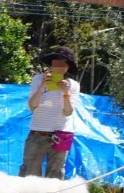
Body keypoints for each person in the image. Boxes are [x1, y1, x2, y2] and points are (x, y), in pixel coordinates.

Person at [19, 46, 80, 179]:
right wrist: (42, 87)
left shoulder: (73, 85)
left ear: (68, 67)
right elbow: (32, 107)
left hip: (61, 135)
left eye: (64, 64)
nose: (60, 67)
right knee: (29, 174)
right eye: (57, 62)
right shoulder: (38, 79)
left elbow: (68, 112)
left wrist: (66, 93)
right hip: (37, 134)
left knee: (56, 176)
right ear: (51, 63)